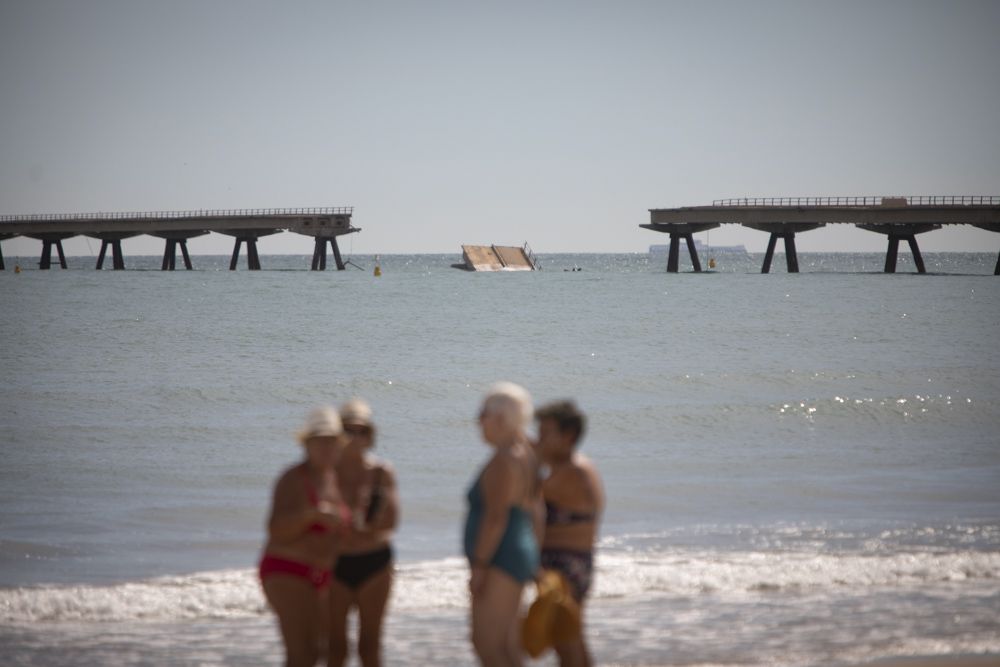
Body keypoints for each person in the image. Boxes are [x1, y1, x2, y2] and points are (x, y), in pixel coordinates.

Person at [259, 406, 351, 667]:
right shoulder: (292, 478)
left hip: (321, 575)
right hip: (286, 569)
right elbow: (275, 528)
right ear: (307, 444)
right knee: (300, 655)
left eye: (332, 441)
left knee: (321, 653)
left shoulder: (335, 479)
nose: (326, 447)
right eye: (320, 441)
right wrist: (312, 515)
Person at [464, 382, 542, 667]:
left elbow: (496, 518)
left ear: (500, 418)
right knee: (507, 645)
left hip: (501, 556)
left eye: (482, 414)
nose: (478, 421)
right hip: (519, 550)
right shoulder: (526, 455)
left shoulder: (503, 460)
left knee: (486, 645)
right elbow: (537, 511)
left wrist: (480, 566)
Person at [328, 399, 399, 667]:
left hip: (374, 563)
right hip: (335, 563)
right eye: (348, 430)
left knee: (370, 648)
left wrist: (365, 523)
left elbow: (392, 521)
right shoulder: (326, 472)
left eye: (361, 431)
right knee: (335, 650)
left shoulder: (381, 472)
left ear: (370, 435)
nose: (354, 437)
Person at [535, 400, 604, 667]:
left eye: (544, 434)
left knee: (567, 643)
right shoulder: (568, 468)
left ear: (568, 436)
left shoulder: (575, 471)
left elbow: (525, 490)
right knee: (571, 639)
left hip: (568, 566)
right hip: (566, 564)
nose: (539, 440)